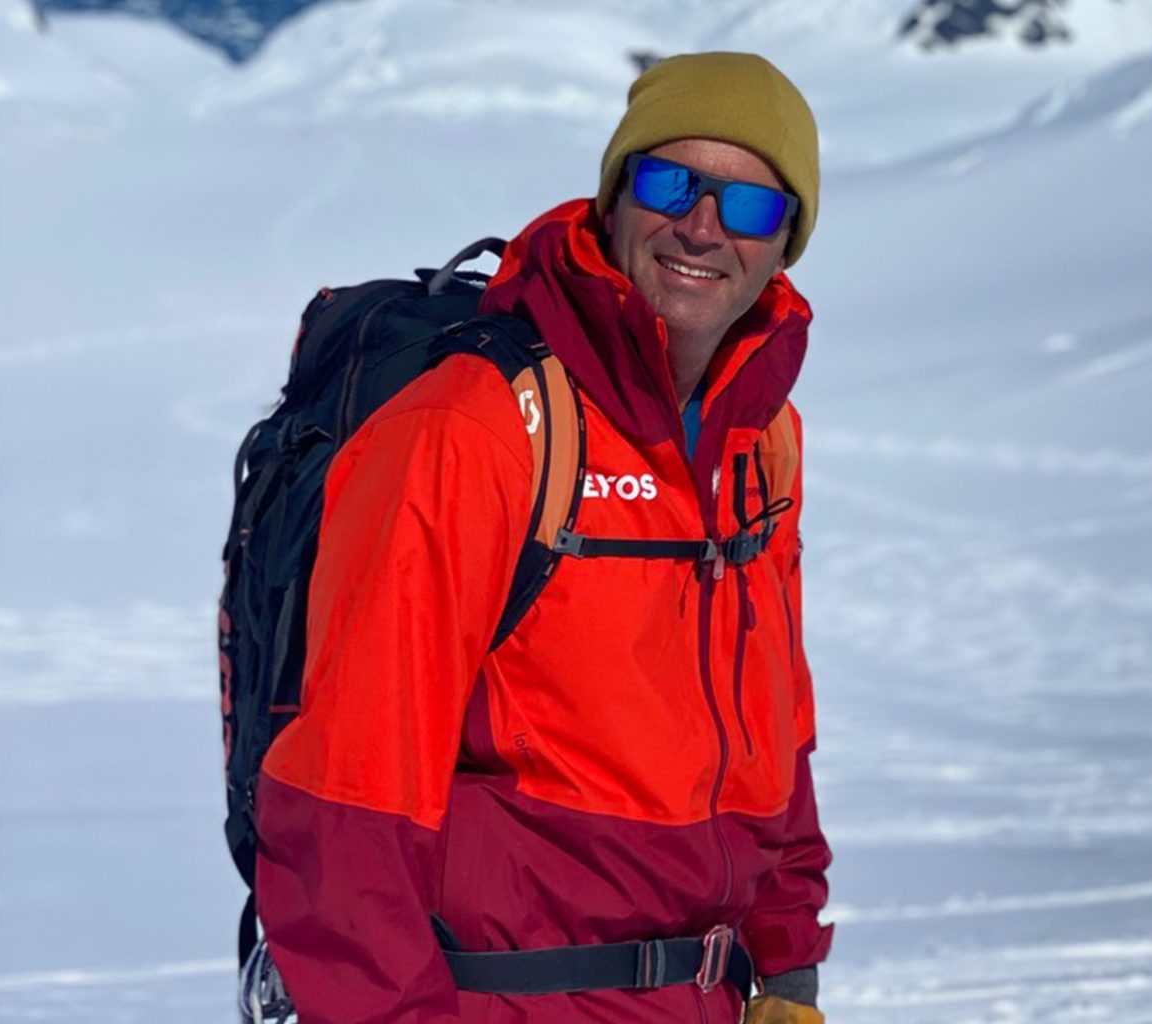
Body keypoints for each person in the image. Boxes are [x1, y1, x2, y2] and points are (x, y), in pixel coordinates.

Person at [254, 52, 833, 1024]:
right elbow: (346, 798)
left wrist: (786, 968)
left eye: (749, 205)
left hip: (705, 1000)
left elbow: (773, 734)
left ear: (787, 242)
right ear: (614, 198)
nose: (701, 227)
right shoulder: (478, 424)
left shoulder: (761, 440)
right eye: (669, 183)